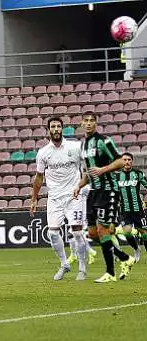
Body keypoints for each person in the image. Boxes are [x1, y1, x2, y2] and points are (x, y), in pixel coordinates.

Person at [73, 111, 134, 283]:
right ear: (81, 123)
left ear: (96, 123)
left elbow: (121, 161)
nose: (89, 123)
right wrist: (78, 186)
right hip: (93, 192)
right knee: (92, 234)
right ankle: (124, 257)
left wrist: (103, 170)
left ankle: (110, 273)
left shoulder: (104, 141)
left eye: (92, 120)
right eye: (86, 121)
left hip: (108, 190)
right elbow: (87, 171)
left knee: (103, 230)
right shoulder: (83, 145)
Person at [31, 117, 87, 280]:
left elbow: (87, 170)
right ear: (48, 131)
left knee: (77, 232)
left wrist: (81, 188)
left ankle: (82, 268)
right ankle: (65, 264)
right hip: (54, 198)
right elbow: (39, 177)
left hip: (73, 196)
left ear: (62, 129)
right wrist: (34, 199)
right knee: (53, 233)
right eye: (53, 127)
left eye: (58, 126)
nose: (56, 129)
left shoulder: (75, 147)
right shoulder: (43, 153)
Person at [115, 152, 147, 278]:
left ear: (132, 161)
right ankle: (136, 250)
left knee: (145, 234)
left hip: (138, 210)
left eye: (129, 160)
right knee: (127, 232)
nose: (127, 162)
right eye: (124, 160)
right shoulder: (117, 177)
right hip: (124, 210)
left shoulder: (138, 174)